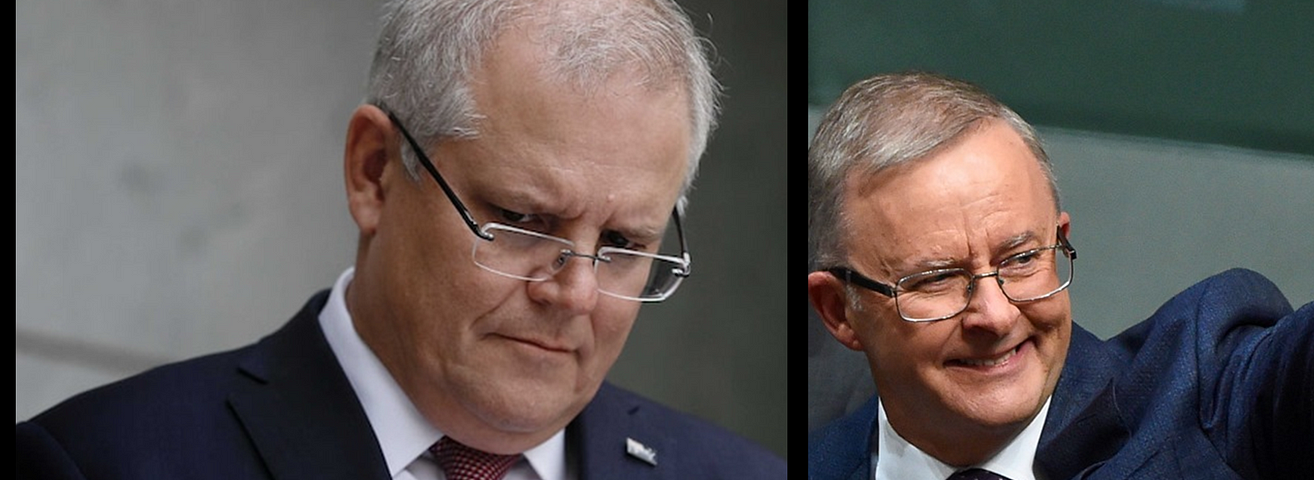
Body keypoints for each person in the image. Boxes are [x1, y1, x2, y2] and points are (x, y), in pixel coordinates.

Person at [805, 0, 1314, 477]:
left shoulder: (1208, 405)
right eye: (937, 278)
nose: (997, 314)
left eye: (1021, 259)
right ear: (839, 312)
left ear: (1060, 238)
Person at [16, 0, 786, 479]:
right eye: (523, 220)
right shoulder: (100, 463)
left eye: (621, 241)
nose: (576, 292)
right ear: (375, 172)